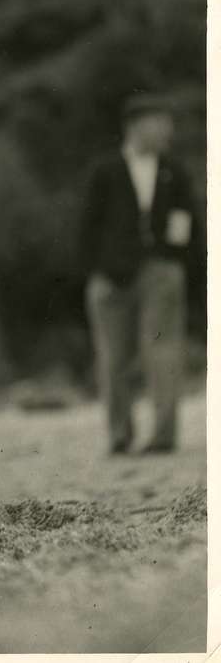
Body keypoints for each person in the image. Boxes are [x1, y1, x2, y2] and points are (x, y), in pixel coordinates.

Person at [79, 92, 198, 455]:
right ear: (134, 127)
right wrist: (98, 272)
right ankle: (119, 434)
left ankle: (163, 436)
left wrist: (173, 261)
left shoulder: (174, 170)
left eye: (168, 124)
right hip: (110, 278)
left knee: (162, 353)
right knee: (112, 358)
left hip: (160, 273)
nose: (167, 131)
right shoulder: (105, 170)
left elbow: (188, 221)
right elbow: (87, 228)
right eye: (158, 124)